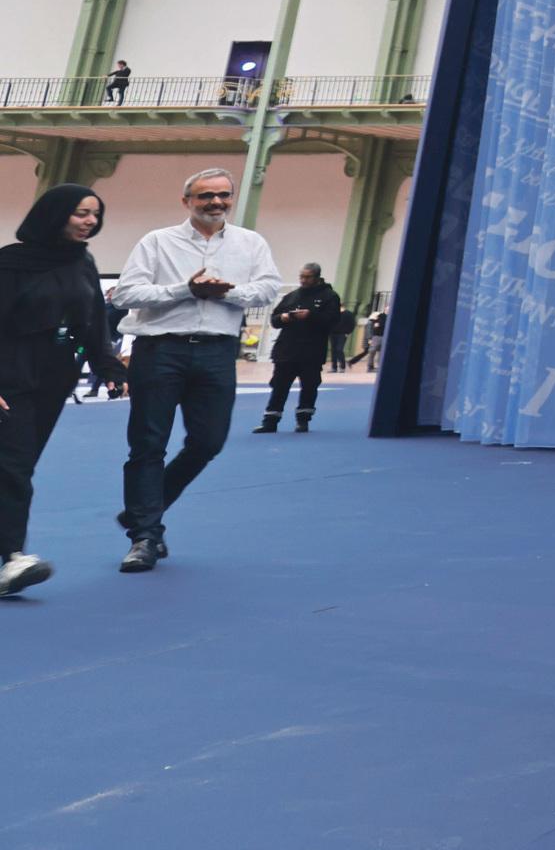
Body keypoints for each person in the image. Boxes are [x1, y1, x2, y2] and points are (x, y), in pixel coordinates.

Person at [111, 167, 283, 571]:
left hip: (217, 352)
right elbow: (126, 294)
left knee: (208, 442)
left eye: (223, 195)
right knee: (148, 444)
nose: (216, 203)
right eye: (206, 196)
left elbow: (268, 288)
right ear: (186, 200)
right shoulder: (157, 242)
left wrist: (226, 292)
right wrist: (184, 290)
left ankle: (143, 511)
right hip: (160, 350)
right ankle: (145, 536)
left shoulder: (251, 243)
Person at [0, 186, 129, 596]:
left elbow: (93, 322)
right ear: (53, 214)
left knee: (18, 466)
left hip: (55, 376)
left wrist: (109, 366)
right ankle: (14, 558)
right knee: (14, 466)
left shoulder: (82, 262)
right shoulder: (10, 263)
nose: (90, 221)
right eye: (80, 213)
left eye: (95, 213)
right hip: (10, 372)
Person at [258, 263, 344, 432]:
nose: (303, 280)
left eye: (307, 277)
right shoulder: (291, 296)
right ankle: (270, 422)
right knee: (279, 386)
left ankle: (303, 420)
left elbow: (332, 321)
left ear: (317, 278)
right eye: (301, 276)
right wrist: (283, 318)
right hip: (286, 350)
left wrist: (310, 316)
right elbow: (274, 320)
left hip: (311, 351)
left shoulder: (330, 296)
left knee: (309, 386)